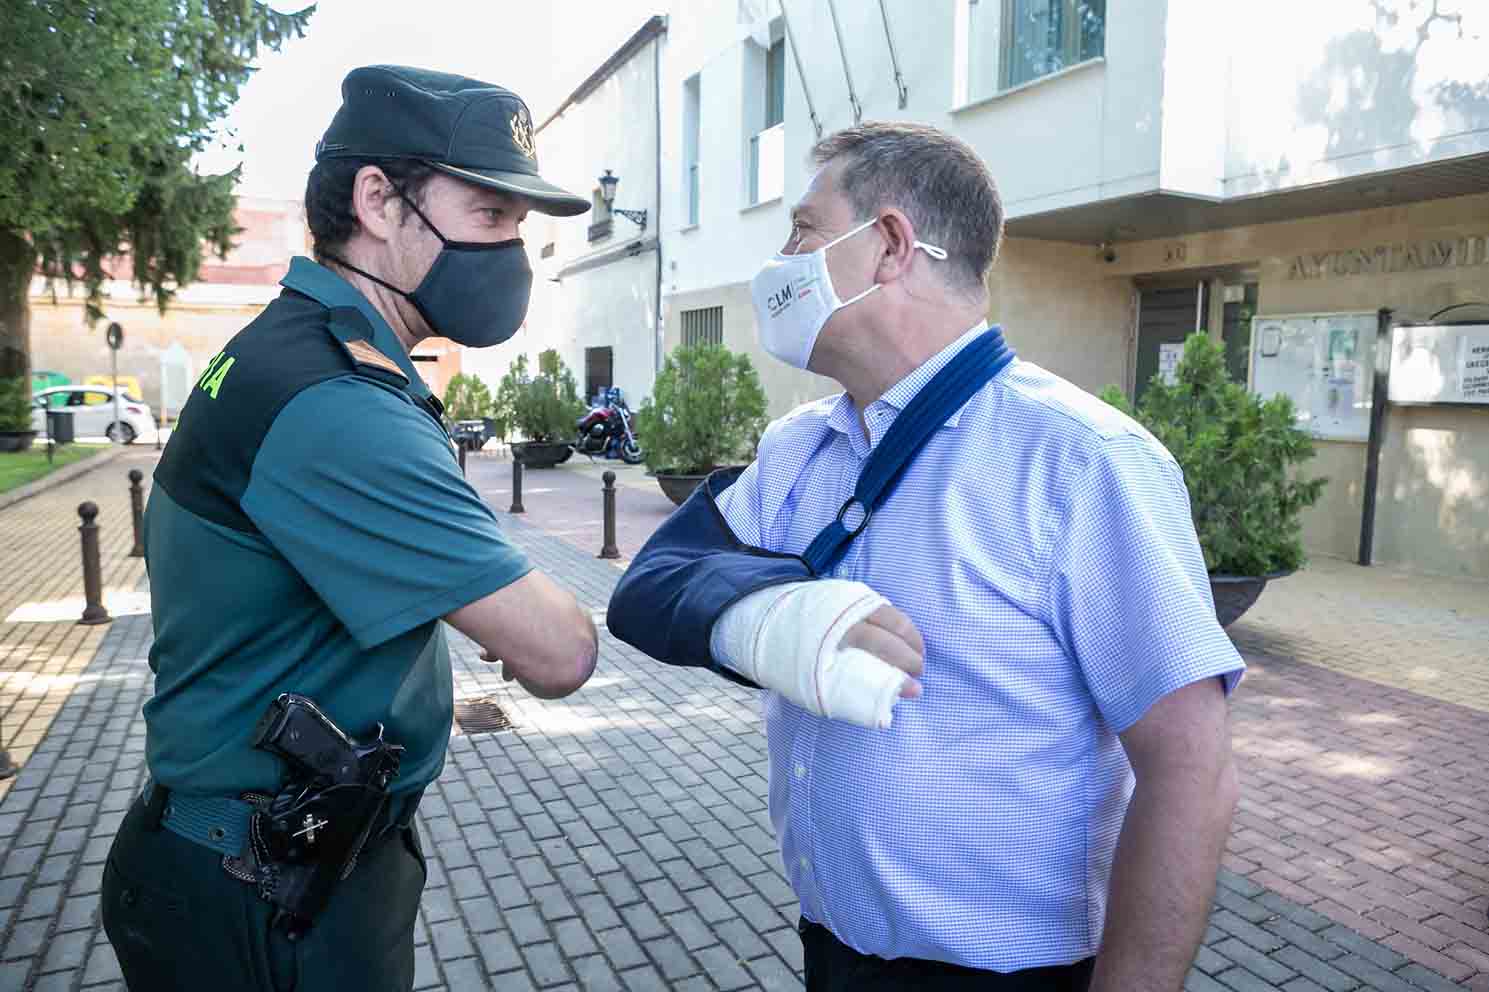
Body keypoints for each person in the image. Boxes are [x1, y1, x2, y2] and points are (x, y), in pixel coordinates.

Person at [609, 121, 1244, 992]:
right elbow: (650, 589)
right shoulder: (798, 446)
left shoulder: (1081, 461)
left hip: (1006, 975)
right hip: (831, 947)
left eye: (802, 228)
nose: (781, 257)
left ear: (890, 245)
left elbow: (1188, 765)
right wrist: (772, 620)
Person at [101, 66, 598, 991]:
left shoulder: (294, 348)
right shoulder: (337, 399)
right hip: (261, 899)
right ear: (378, 199)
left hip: (263, 868)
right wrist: (511, 605)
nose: (512, 249)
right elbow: (559, 652)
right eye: (491, 213)